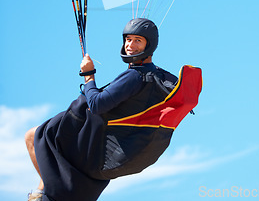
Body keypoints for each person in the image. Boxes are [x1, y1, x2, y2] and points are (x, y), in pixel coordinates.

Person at [25, 18, 182, 201]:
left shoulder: (134, 76)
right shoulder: (159, 76)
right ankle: (42, 190)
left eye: (138, 40)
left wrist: (88, 75)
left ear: (150, 45)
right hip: (117, 154)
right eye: (128, 39)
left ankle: (41, 192)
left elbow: (97, 104)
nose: (130, 45)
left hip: (94, 147)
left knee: (32, 136)